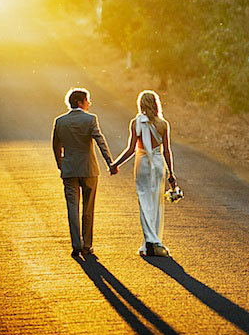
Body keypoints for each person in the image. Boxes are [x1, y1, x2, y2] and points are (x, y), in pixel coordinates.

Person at [51, 87, 116, 258]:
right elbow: (100, 141)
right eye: (87, 100)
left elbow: (55, 146)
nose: (89, 103)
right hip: (89, 169)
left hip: (69, 169)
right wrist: (110, 162)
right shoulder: (90, 119)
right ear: (80, 102)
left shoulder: (60, 121)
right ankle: (87, 245)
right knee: (88, 207)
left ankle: (76, 244)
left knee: (72, 206)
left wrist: (61, 164)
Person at [112, 89, 177, 257]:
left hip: (142, 164)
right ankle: (154, 240)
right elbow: (167, 151)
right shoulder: (163, 124)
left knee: (144, 201)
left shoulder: (136, 123)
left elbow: (131, 149)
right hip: (157, 163)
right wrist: (172, 174)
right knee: (156, 202)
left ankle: (149, 240)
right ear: (156, 104)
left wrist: (115, 164)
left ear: (141, 104)